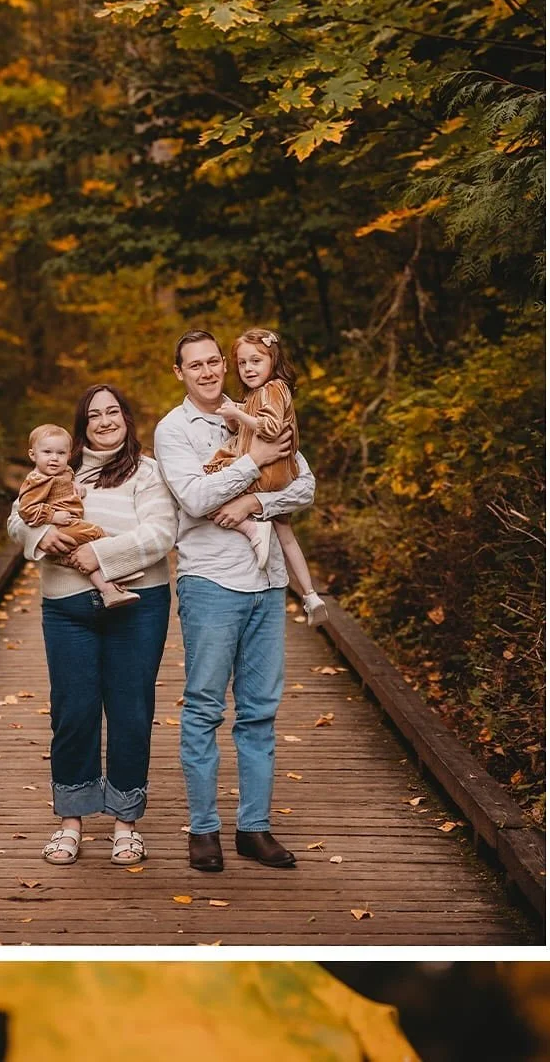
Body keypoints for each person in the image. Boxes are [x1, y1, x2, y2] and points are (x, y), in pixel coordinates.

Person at [153, 328, 316, 874]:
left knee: (260, 712)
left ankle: (254, 828)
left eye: (213, 361)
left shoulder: (259, 404)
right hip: (211, 582)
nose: (206, 371)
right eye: (193, 365)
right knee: (203, 708)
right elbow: (195, 499)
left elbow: (304, 486)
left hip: (268, 582)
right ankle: (204, 830)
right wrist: (255, 462)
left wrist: (251, 501)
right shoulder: (174, 430)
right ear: (179, 373)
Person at [7, 385, 178, 867]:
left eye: (113, 412)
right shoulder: (59, 465)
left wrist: (96, 553)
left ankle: (126, 824)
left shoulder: (149, 472)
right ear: (82, 423)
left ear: (126, 417)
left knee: (130, 711)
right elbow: (17, 521)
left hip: (139, 604)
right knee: (73, 711)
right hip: (65, 607)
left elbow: (161, 534)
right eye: (94, 414)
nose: (105, 421)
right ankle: (71, 822)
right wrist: (46, 535)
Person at [205, 328, 328, 626]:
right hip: (279, 475)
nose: (248, 369)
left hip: (266, 471)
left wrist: (239, 413)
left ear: (273, 360)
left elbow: (270, 429)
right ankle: (311, 595)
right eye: (243, 363)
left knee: (207, 486)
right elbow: (243, 431)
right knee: (286, 535)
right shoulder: (256, 395)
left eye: (256, 361)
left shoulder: (273, 389)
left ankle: (251, 528)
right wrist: (233, 415)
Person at [17, 422, 140, 609]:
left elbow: (65, 481)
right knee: (96, 533)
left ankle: (109, 591)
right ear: (33, 455)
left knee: (83, 558)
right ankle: (117, 567)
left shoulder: (64, 471)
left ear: (69, 455)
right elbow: (26, 510)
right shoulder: (37, 480)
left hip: (71, 524)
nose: (54, 458)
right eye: (47, 452)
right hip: (62, 526)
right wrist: (52, 517)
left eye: (60, 453)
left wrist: (75, 486)